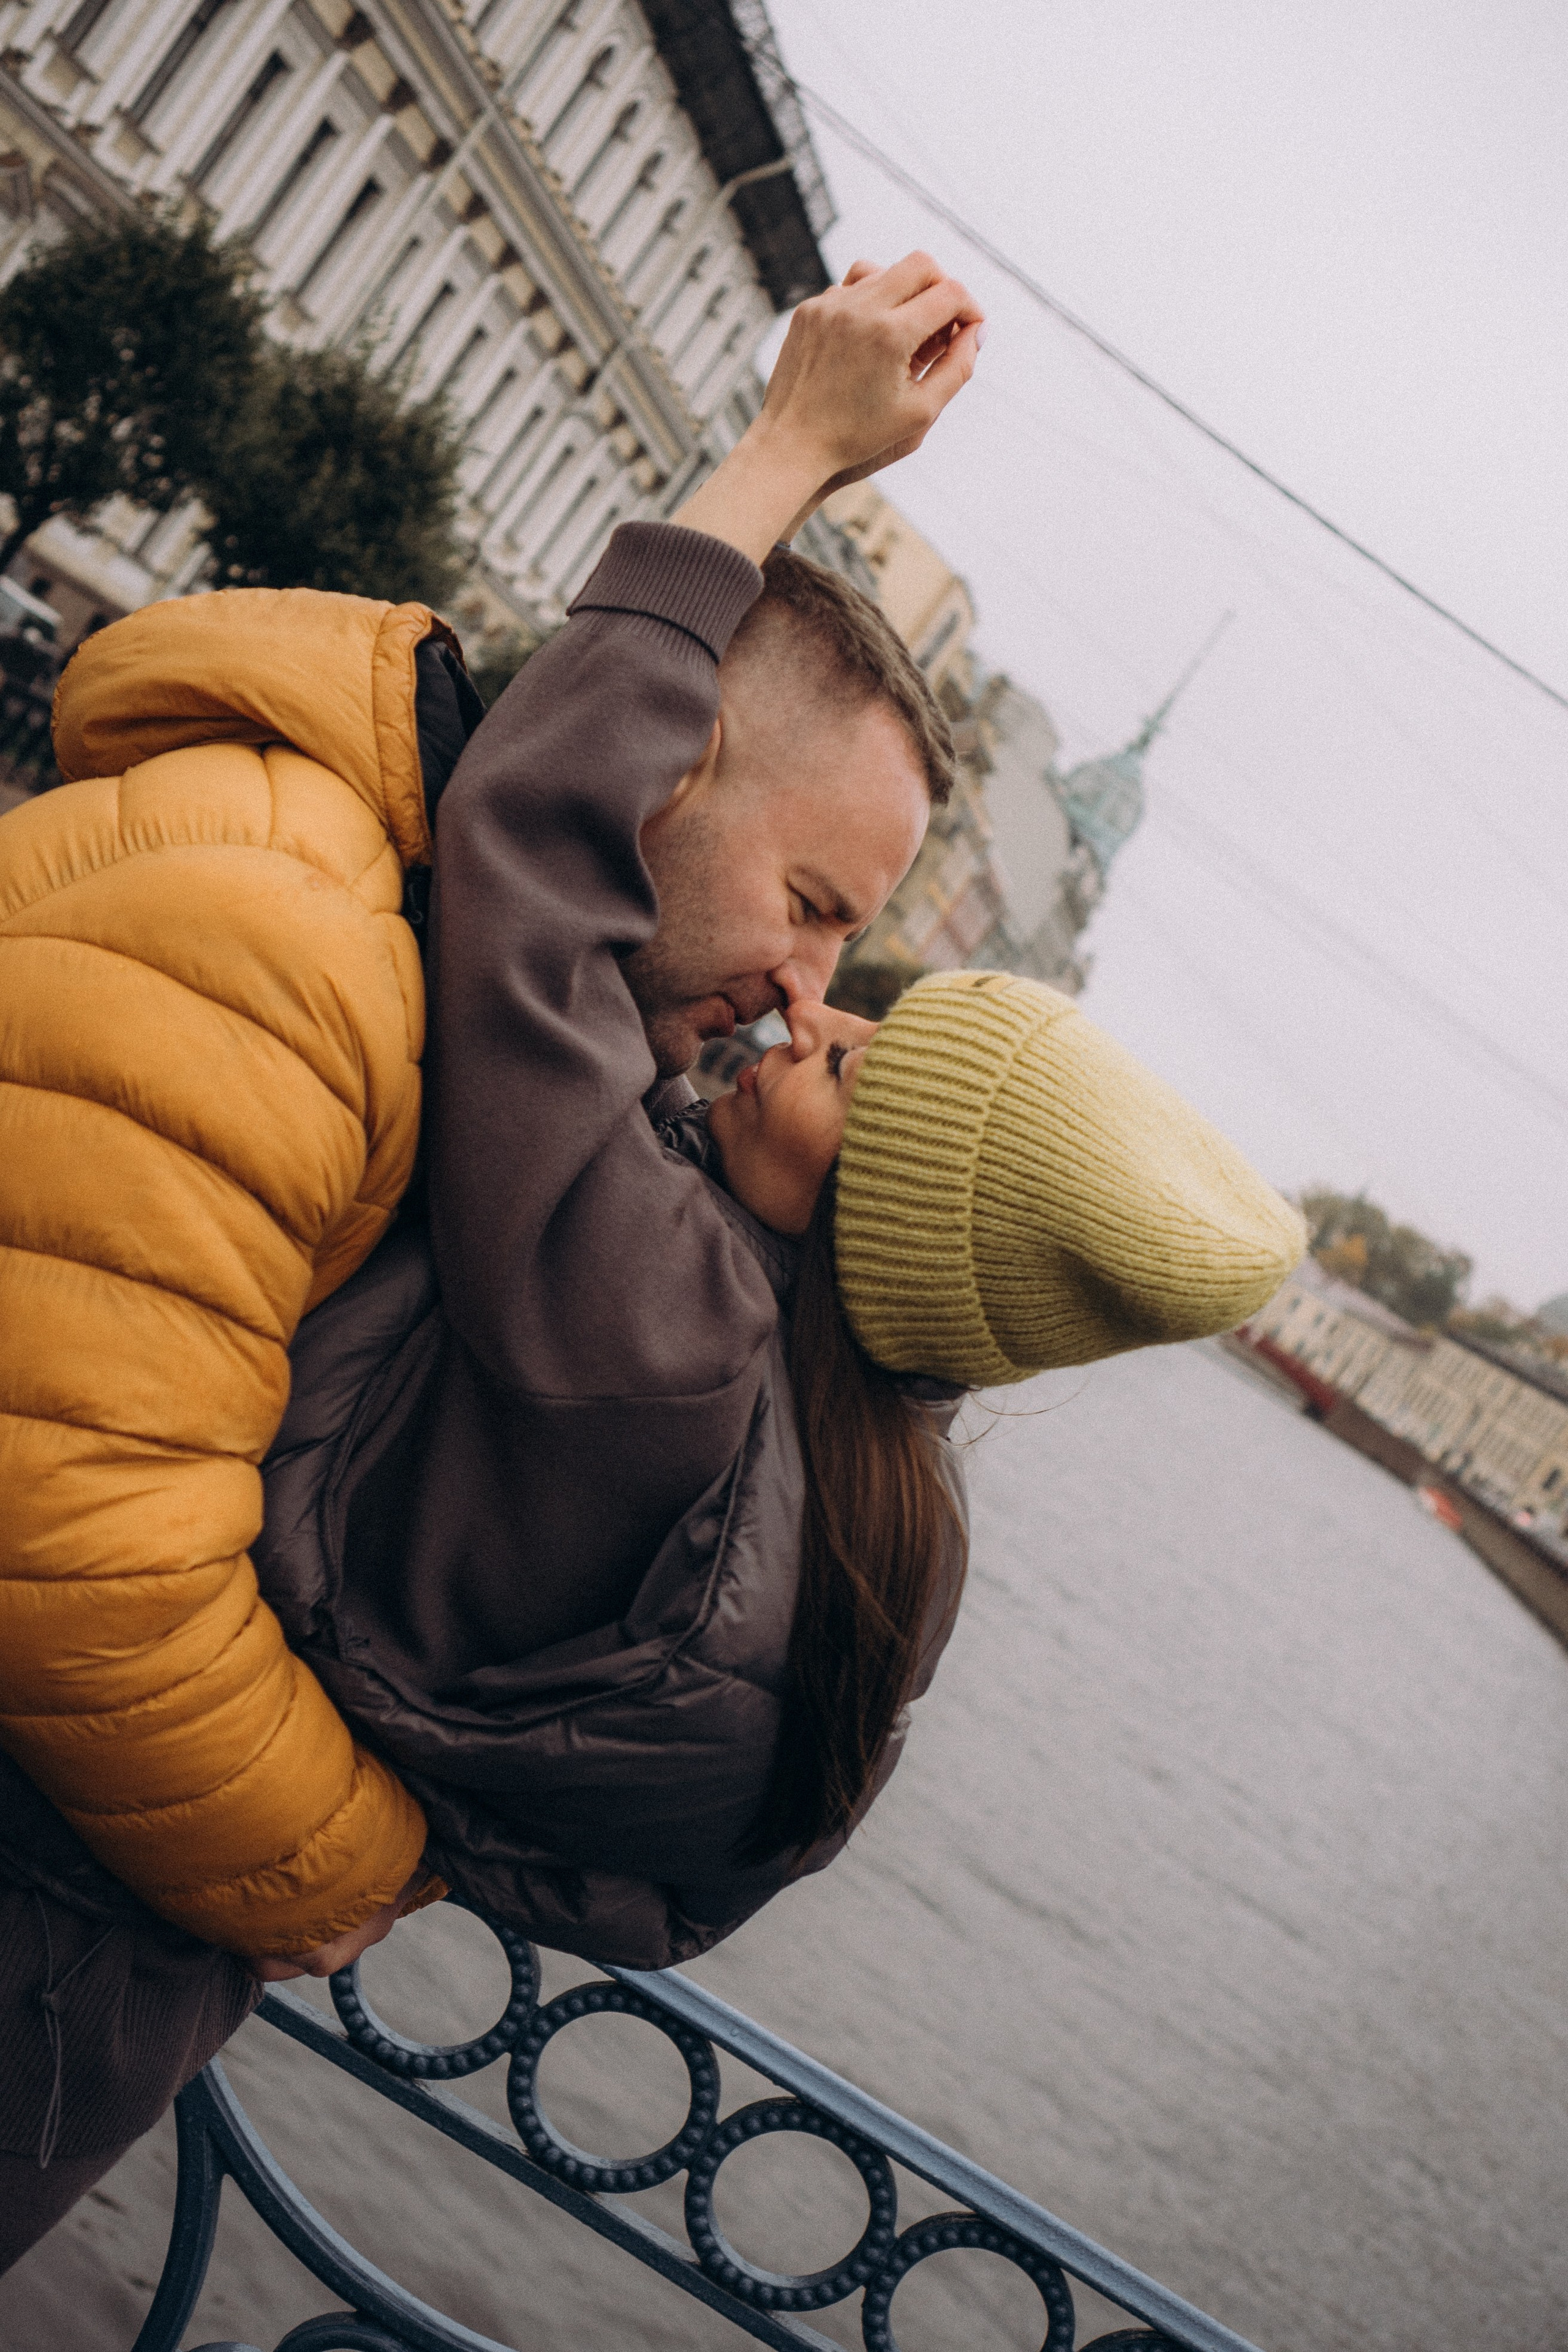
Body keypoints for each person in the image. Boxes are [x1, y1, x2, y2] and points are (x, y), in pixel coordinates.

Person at [0, 248, 1305, 2268]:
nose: (803, 1005)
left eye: (851, 1004)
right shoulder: (815, 1450)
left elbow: (527, 847)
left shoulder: (657, 1312)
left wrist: (787, 453)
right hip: (98, 2003)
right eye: (818, 930)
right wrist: (395, 1845)